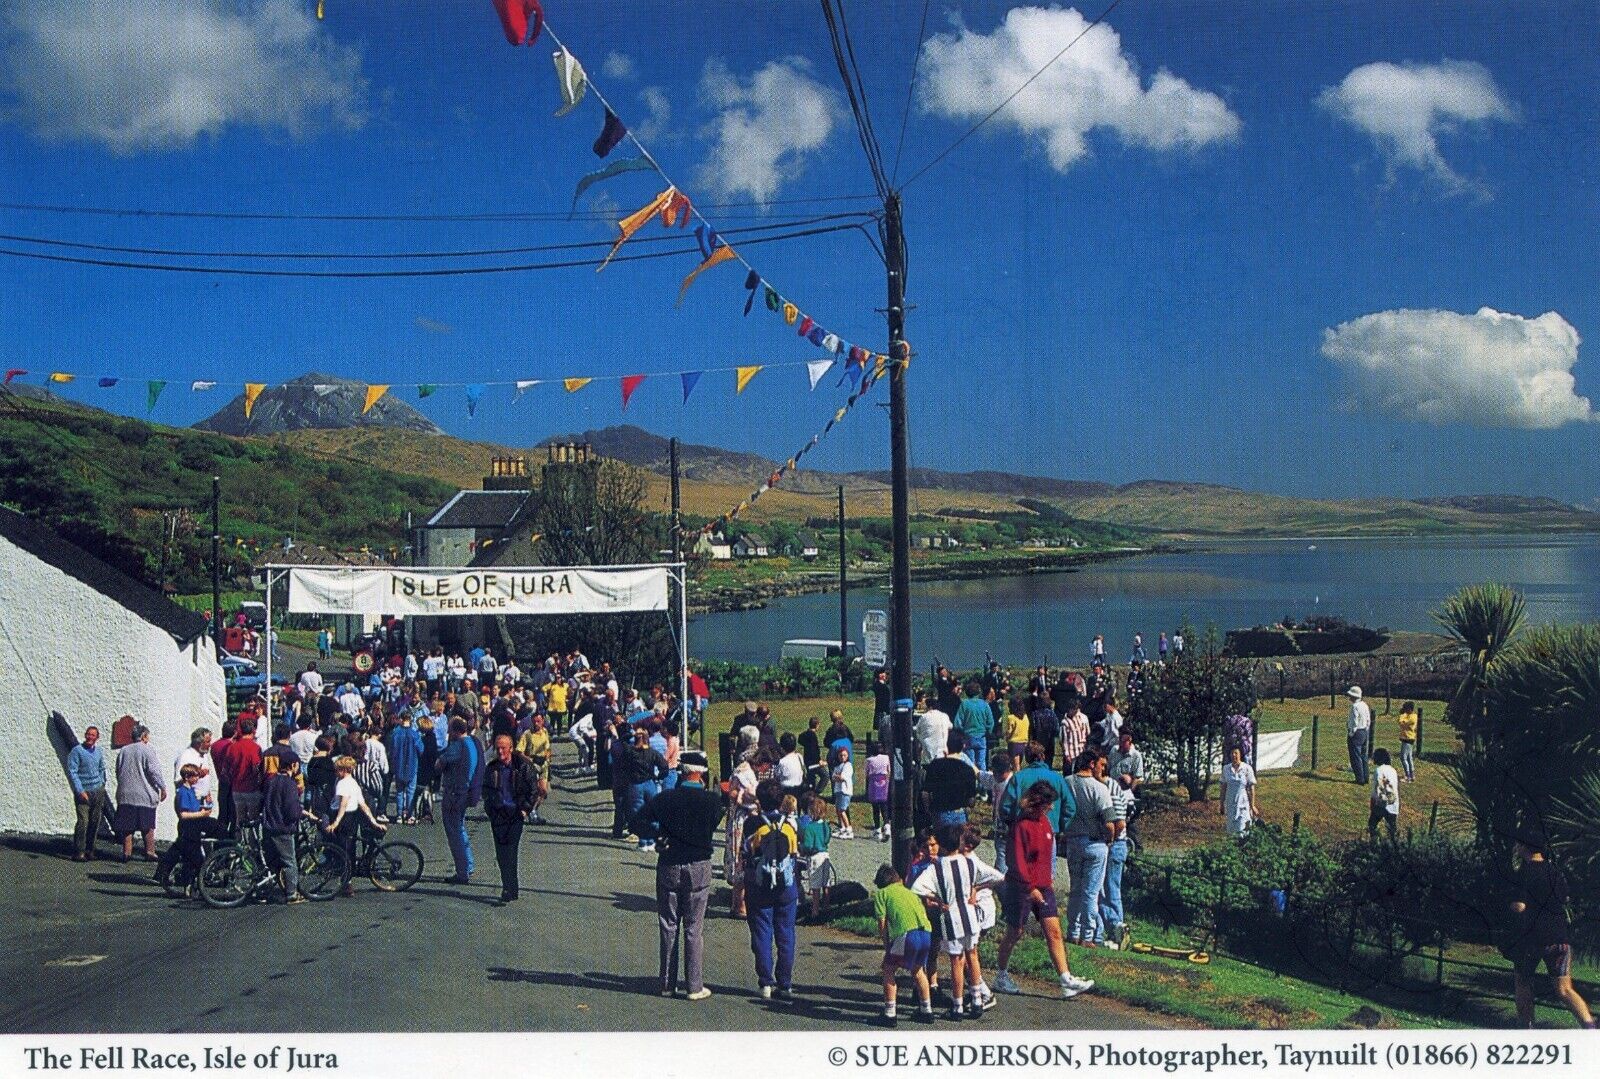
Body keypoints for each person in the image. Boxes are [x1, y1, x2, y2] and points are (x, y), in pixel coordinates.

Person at [629, 750, 723, 999]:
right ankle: (694, 985)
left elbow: (636, 822)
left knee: (668, 923)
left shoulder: (665, 799)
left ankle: (667, 983)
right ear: (701, 774)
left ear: (682, 772)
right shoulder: (712, 802)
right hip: (698, 864)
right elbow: (713, 823)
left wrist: (657, 835)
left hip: (670, 862)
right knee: (694, 927)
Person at [993, 780, 1095, 1000]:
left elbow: (1046, 859)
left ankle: (1066, 979)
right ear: (1038, 803)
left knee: (1055, 932)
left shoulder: (1046, 824)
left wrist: (1045, 883)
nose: (1051, 808)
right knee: (1015, 931)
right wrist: (1030, 888)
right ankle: (1001, 975)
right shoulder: (1021, 827)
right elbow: (1017, 861)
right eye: (1048, 804)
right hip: (1021, 888)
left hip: (1044, 886)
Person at [910, 822, 1002, 1019]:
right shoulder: (969, 861)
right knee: (973, 956)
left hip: (951, 917)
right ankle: (977, 1000)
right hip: (971, 915)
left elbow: (916, 888)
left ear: (941, 844)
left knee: (956, 962)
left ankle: (957, 1006)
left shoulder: (936, 868)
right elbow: (998, 877)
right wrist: (976, 887)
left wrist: (936, 898)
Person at [1506, 831, 1596, 1029]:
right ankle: (1590, 1027)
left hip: (1533, 939)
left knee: (1522, 981)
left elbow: (1520, 906)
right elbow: (1563, 899)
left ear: (1524, 847)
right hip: (1560, 938)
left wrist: (1509, 906)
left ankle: (1526, 1028)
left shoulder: (1524, 872)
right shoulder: (1555, 872)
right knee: (1565, 989)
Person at [743, 778, 800, 1002]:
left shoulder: (753, 824)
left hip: (760, 883)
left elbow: (746, 851)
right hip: (786, 884)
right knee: (786, 933)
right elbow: (795, 853)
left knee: (762, 931)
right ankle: (785, 983)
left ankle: (765, 981)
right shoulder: (790, 825)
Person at [1062, 749, 1115, 947]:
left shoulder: (1066, 783)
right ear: (1092, 764)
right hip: (1095, 842)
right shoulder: (1099, 788)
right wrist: (1109, 839)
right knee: (1091, 892)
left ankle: (1072, 931)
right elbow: (1110, 822)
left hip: (1073, 841)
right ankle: (1088, 935)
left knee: (1075, 889)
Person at [874, 863, 935, 1025]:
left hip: (907, 934)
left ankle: (889, 1013)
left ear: (881, 883)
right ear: (898, 879)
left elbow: (882, 923)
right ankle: (926, 1010)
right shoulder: (911, 893)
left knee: (888, 969)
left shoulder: (882, 894)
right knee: (918, 970)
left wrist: (887, 946)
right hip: (926, 932)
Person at [483, 733, 537, 905]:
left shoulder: (522, 766)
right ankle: (510, 888)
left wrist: (525, 810)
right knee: (501, 854)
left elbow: (533, 790)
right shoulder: (492, 767)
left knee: (510, 852)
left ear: (511, 749)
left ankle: (508, 888)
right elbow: (486, 789)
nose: (500, 752)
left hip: (515, 814)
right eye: (497, 748)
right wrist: (489, 809)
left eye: (503, 748)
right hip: (498, 814)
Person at [324, 755, 386, 897]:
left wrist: (335, 822)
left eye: (337, 770)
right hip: (352, 818)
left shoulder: (342, 783)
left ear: (343, 770)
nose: (335, 772)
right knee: (349, 848)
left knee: (340, 849)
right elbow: (362, 804)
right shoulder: (353, 783)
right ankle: (347, 881)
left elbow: (343, 804)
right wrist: (373, 821)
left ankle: (345, 881)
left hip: (341, 817)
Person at [261, 755, 313, 904]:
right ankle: (291, 894)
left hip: (268, 824)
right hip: (282, 827)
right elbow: (291, 809)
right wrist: (299, 816)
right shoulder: (289, 784)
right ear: (294, 765)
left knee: (275, 861)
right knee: (290, 861)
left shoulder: (270, 781)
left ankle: (271, 889)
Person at [436, 717, 481, 885]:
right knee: (460, 829)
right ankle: (468, 865)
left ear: (455, 731)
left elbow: (440, 763)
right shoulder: (473, 743)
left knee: (454, 832)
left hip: (454, 792)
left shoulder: (457, 746)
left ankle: (462, 871)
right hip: (465, 791)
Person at [113, 723, 167, 862]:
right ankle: (150, 851)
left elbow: (118, 770)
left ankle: (127, 852)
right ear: (143, 736)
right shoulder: (147, 750)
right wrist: (162, 787)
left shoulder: (124, 750)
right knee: (147, 825)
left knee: (127, 826)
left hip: (126, 793)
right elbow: (154, 771)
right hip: (144, 793)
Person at [1097, 770, 1134, 949]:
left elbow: (1120, 822)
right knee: (1104, 890)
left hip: (1115, 843)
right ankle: (1113, 926)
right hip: (1111, 843)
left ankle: (1118, 928)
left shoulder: (1110, 786)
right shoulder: (1101, 786)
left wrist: (1110, 841)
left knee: (1111, 888)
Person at [622, 722, 669, 852]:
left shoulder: (630, 752)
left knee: (638, 813)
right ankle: (652, 840)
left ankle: (643, 842)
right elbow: (664, 766)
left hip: (635, 785)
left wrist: (631, 733)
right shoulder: (652, 753)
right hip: (650, 783)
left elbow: (623, 741)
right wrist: (659, 777)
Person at [67, 725, 110, 862]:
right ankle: (78, 851)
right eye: (88, 734)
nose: (90, 737)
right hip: (83, 792)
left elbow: (102, 768)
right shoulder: (77, 751)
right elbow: (73, 772)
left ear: (97, 738)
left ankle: (90, 850)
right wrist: (80, 790)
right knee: (83, 821)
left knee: (94, 821)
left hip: (97, 790)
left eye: (93, 735)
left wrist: (102, 784)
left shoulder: (98, 752)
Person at [921, 730, 978, 827]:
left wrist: (928, 811)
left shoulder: (935, 765)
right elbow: (971, 801)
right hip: (959, 814)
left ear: (946, 744)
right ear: (963, 746)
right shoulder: (968, 770)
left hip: (939, 812)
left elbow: (925, 794)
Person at [221, 716, 264, 829]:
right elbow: (256, 767)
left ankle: (239, 842)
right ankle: (251, 844)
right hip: (251, 788)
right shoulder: (255, 747)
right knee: (252, 820)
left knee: (240, 819)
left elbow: (226, 769)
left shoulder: (232, 747)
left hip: (236, 788)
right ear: (253, 731)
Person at [797, 795, 834, 923]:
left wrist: (800, 847)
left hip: (814, 857)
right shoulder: (826, 826)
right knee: (826, 882)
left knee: (815, 885)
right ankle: (826, 906)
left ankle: (815, 911)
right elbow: (827, 839)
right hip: (825, 854)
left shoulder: (810, 828)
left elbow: (807, 845)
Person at [514, 713, 552, 824]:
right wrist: (529, 760)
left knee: (543, 791)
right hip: (532, 765)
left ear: (543, 721)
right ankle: (531, 813)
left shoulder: (545, 732)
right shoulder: (527, 734)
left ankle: (533, 810)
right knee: (535, 791)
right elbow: (519, 751)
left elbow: (548, 748)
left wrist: (548, 758)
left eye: (538, 721)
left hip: (544, 764)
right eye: (534, 721)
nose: (536, 724)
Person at [386, 712, 423, 825]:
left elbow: (391, 751)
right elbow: (421, 749)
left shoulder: (395, 734)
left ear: (401, 719)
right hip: (412, 765)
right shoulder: (415, 734)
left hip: (399, 765)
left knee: (400, 791)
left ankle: (399, 815)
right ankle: (410, 815)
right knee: (410, 791)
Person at [954, 681, 992, 772]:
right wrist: (988, 732)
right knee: (981, 762)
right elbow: (990, 722)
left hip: (968, 737)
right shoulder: (984, 704)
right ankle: (983, 783)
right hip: (981, 736)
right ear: (978, 692)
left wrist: (962, 733)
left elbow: (957, 723)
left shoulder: (964, 704)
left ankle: (971, 782)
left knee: (969, 763)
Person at [1221, 746, 1258, 837]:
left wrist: (1252, 805)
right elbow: (1223, 788)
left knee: (1242, 829)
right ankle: (1233, 849)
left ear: (1240, 754)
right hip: (1230, 802)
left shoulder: (1246, 768)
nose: (1234, 755)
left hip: (1243, 802)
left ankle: (1243, 847)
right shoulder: (1226, 769)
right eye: (1232, 753)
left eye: (1236, 753)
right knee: (1231, 830)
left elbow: (1251, 788)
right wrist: (1221, 804)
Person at [1367, 748, 1400, 842]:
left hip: (1382, 803)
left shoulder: (1379, 770)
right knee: (1392, 827)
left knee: (1372, 824)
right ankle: (1394, 845)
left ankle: (1374, 842)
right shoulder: (1393, 770)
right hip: (1393, 801)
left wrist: (1374, 802)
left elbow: (1379, 787)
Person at [912, 692, 951, 767]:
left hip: (928, 752)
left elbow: (917, 730)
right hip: (942, 752)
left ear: (929, 707)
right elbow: (950, 726)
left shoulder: (924, 717)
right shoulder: (944, 716)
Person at [865, 742, 891, 841]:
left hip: (873, 781)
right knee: (884, 805)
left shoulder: (869, 760)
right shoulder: (886, 758)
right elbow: (889, 770)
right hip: (884, 781)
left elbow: (867, 773)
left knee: (875, 807)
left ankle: (877, 829)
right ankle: (887, 825)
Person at [1346, 685, 1371, 785]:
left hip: (1356, 733)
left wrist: (1351, 732)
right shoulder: (1364, 705)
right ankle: (1366, 777)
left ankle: (1359, 779)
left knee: (1355, 756)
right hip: (1364, 731)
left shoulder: (1354, 707)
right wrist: (1366, 729)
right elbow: (1368, 719)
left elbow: (1354, 721)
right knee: (1363, 755)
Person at [829, 745, 855, 839]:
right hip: (838, 790)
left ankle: (848, 829)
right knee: (838, 810)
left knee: (842, 810)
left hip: (845, 790)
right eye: (841, 755)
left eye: (844, 755)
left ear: (847, 756)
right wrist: (837, 777)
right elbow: (833, 777)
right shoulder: (837, 766)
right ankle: (842, 827)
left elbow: (842, 778)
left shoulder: (848, 766)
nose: (842, 757)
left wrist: (838, 777)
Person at [1396, 701, 1418, 782]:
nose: (1404, 710)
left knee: (1403, 758)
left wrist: (1402, 715)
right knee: (1409, 758)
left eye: (1405, 708)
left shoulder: (1413, 717)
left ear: (1409, 709)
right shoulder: (1410, 716)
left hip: (1408, 739)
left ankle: (1408, 776)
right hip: (1407, 738)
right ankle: (1412, 775)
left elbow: (1401, 723)